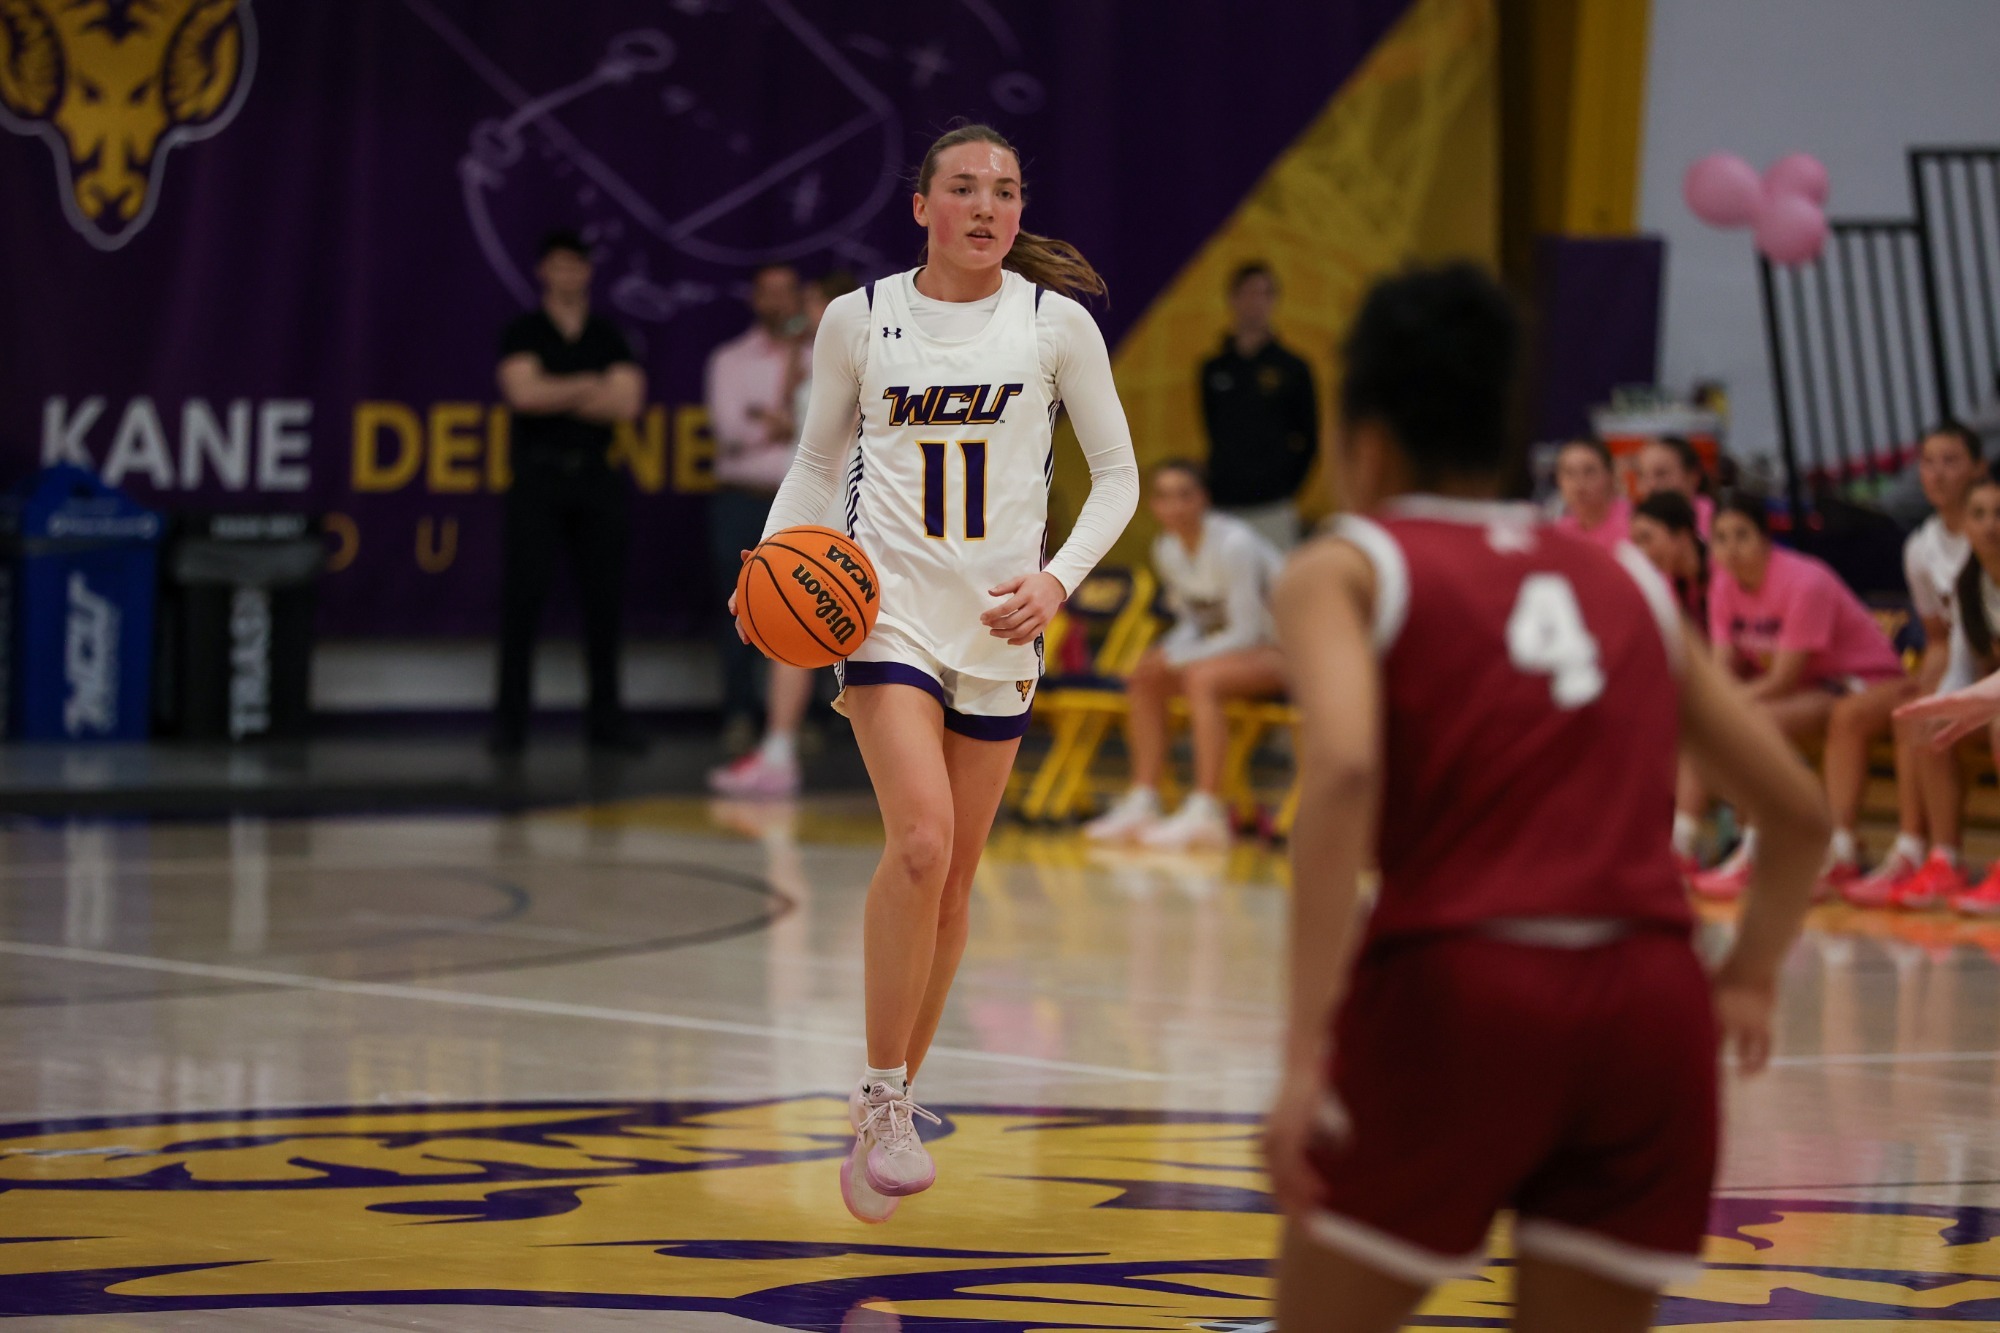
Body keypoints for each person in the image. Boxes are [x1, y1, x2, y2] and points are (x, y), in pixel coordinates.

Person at [1263, 264, 1823, 1333]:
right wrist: (1746, 974)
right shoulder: (1629, 581)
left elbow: (1339, 768)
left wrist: (1303, 1056)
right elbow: (1797, 814)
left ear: (1361, 438)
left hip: (1464, 986)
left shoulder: (1347, 566)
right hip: (1651, 1007)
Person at [742, 123, 1139, 1221]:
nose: (984, 206)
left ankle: (898, 1092)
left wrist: (1056, 582)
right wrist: (775, 561)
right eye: (961, 188)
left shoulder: (1055, 325)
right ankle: (879, 1098)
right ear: (918, 204)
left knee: (955, 884)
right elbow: (818, 462)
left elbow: (1115, 478)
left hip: (1002, 626)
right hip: (886, 615)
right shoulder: (858, 318)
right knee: (917, 841)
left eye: (1004, 191)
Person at [1690, 495, 1905, 900]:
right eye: (1720, 538)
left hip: (1863, 679)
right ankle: (1724, 842)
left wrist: (1728, 705)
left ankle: (1777, 851)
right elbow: (1722, 666)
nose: (1731, 549)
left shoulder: (1805, 581)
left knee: (1754, 722)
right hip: (1815, 685)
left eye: (1742, 536)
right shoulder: (1722, 583)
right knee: (1729, 723)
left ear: (1766, 539)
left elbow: (1783, 680)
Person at [492, 228, 647, 756]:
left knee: (604, 603)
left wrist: (558, 389)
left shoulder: (609, 334)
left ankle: (606, 721)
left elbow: (626, 403)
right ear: (544, 271)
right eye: (557, 265)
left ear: (586, 272)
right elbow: (523, 394)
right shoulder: (524, 330)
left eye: (576, 265)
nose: (567, 274)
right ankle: (510, 726)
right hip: (537, 476)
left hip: (597, 476)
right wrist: (589, 385)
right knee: (523, 601)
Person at [708, 269, 859, 799]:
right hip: (816, 511)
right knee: (792, 638)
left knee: (860, 647)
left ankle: (782, 749)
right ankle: (778, 750)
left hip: (848, 514)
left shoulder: (856, 362)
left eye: (815, 301)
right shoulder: (815, 359)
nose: (805, 312)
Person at [1083, 459, 1286, 850]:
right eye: (1163, 496)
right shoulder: (1167, 549)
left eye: (1184, 495)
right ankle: (1143, 799)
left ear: (1203, 499)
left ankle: (1207, 809)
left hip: (1287, 652)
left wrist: (1178, 659)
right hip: (1235, 653)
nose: (1174, 505)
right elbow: (1195, 623)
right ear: (1152, 505)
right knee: (1146, 677)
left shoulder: (1235, 544)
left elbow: (1247, 631)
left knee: (1201, 678)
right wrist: (1163, 654)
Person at [1846, 423, 1981, 906]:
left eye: (1951, 460)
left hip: (1990, 674)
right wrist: (1928, 684)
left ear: (1979, 468)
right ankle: (1924, 852)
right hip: (1972, 666)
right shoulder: (1920, 549)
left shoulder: (1990, 533)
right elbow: (1942, 638)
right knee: (1916, 712)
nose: (1938, 473)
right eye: (1928, 461)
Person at [1882, 467, 2000, 913]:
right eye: (1980, 514)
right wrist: (1948, 703)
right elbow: (1962, 663)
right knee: (1928, 719)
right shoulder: (1970, 585)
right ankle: (1943, 858)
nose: (1991, 524)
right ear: (1964, 524)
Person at [706, 263, 807, 769]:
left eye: (787, 293)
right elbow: (729, 432)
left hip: (805, 501)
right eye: (768, 293)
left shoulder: (820, 359)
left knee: (811, 609)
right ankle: (740, 716)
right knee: (740, 610)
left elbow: (831, 435)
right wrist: (782, 424)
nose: (779, 303)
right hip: (744, 497)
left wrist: (771, 420)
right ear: (754, 299)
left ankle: (802, 722)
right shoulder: (730, 359)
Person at [1199, 262, 1319, 550]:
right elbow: (1213, 431)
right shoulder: (1213, 369)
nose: (1256, 302)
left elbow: (1309, 439)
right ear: (1233, 299)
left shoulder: (1293, 367)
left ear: (1274, 301)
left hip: (1273, 505)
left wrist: (1283, 486)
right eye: (1248, 293)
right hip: (1225, 505)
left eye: (1264, 293)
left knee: (1279, 588)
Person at [1552, 438, 1631, 551]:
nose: (1579, 484)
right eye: (1569, 473)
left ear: (1610, 476)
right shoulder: (1559, 531)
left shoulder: (1632, 524)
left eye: (1589, 472)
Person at [1634, 436, 1715, 537]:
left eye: (1661, 473)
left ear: (1693, 476)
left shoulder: (1717, 523)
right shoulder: (1632, 525)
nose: (1650, 486)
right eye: (1642, 475)